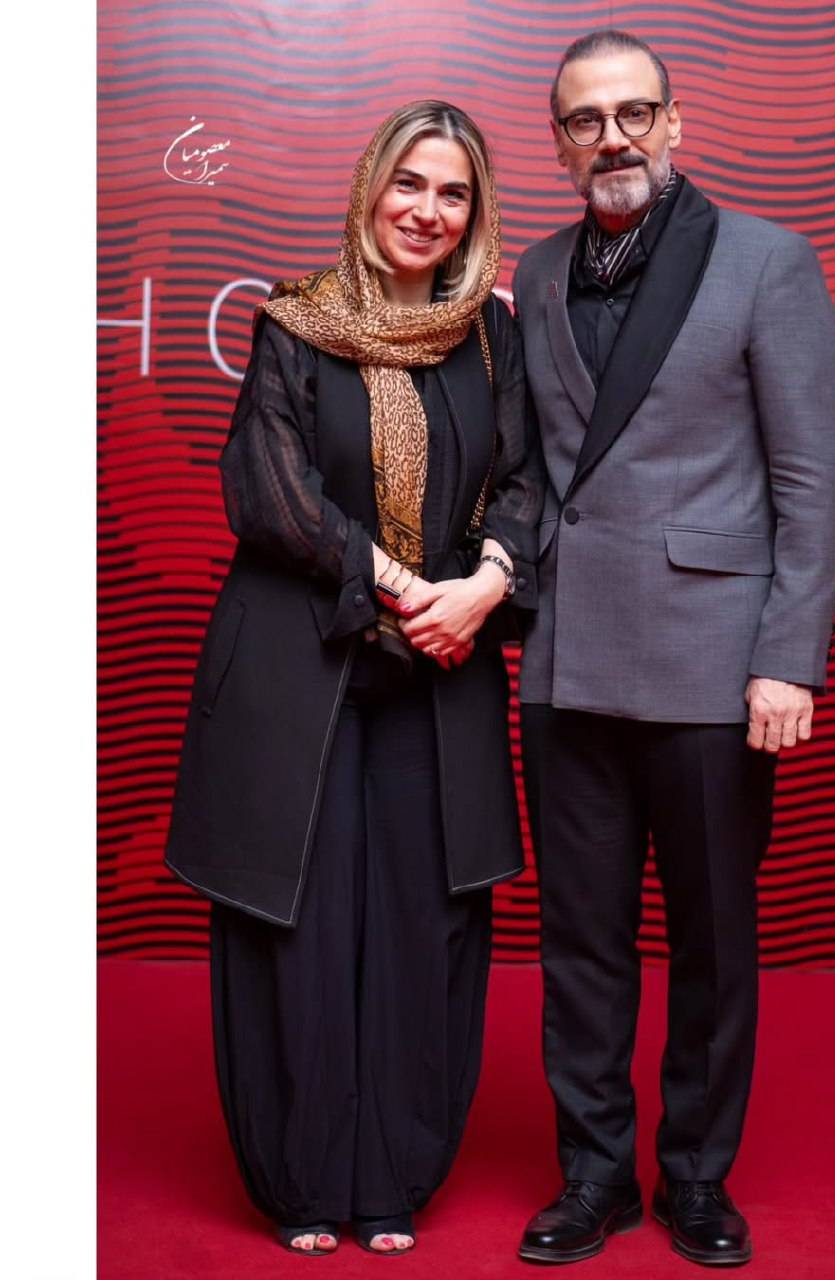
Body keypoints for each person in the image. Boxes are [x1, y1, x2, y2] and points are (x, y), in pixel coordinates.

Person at [164, 100, 542, 1258]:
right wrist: (405, 585)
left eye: (453, 192)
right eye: (409, 183)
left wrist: (482, 585)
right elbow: (269, 489)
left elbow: (525, 481)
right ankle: (302, 1177)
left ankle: (391, 1177)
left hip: (442, 667)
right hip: (306, 669)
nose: (427, 211)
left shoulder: (492, 336)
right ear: (371, 185)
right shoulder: (295, 321)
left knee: (424, 920)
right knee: (303, 923)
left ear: (475, 211)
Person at [512, 31, 835, 1267]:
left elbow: (814, 477)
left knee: (710, 939)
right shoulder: (536, 270)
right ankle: (594, 1176)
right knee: (579, 941)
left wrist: (788, 657)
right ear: (560, 142)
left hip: (714, 663)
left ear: (673, 122)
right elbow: (534, 467)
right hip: (567, 657)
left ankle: (697, 1177)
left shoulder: (767, 260)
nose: (611, 136)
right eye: (585, 119)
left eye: (632, 112)